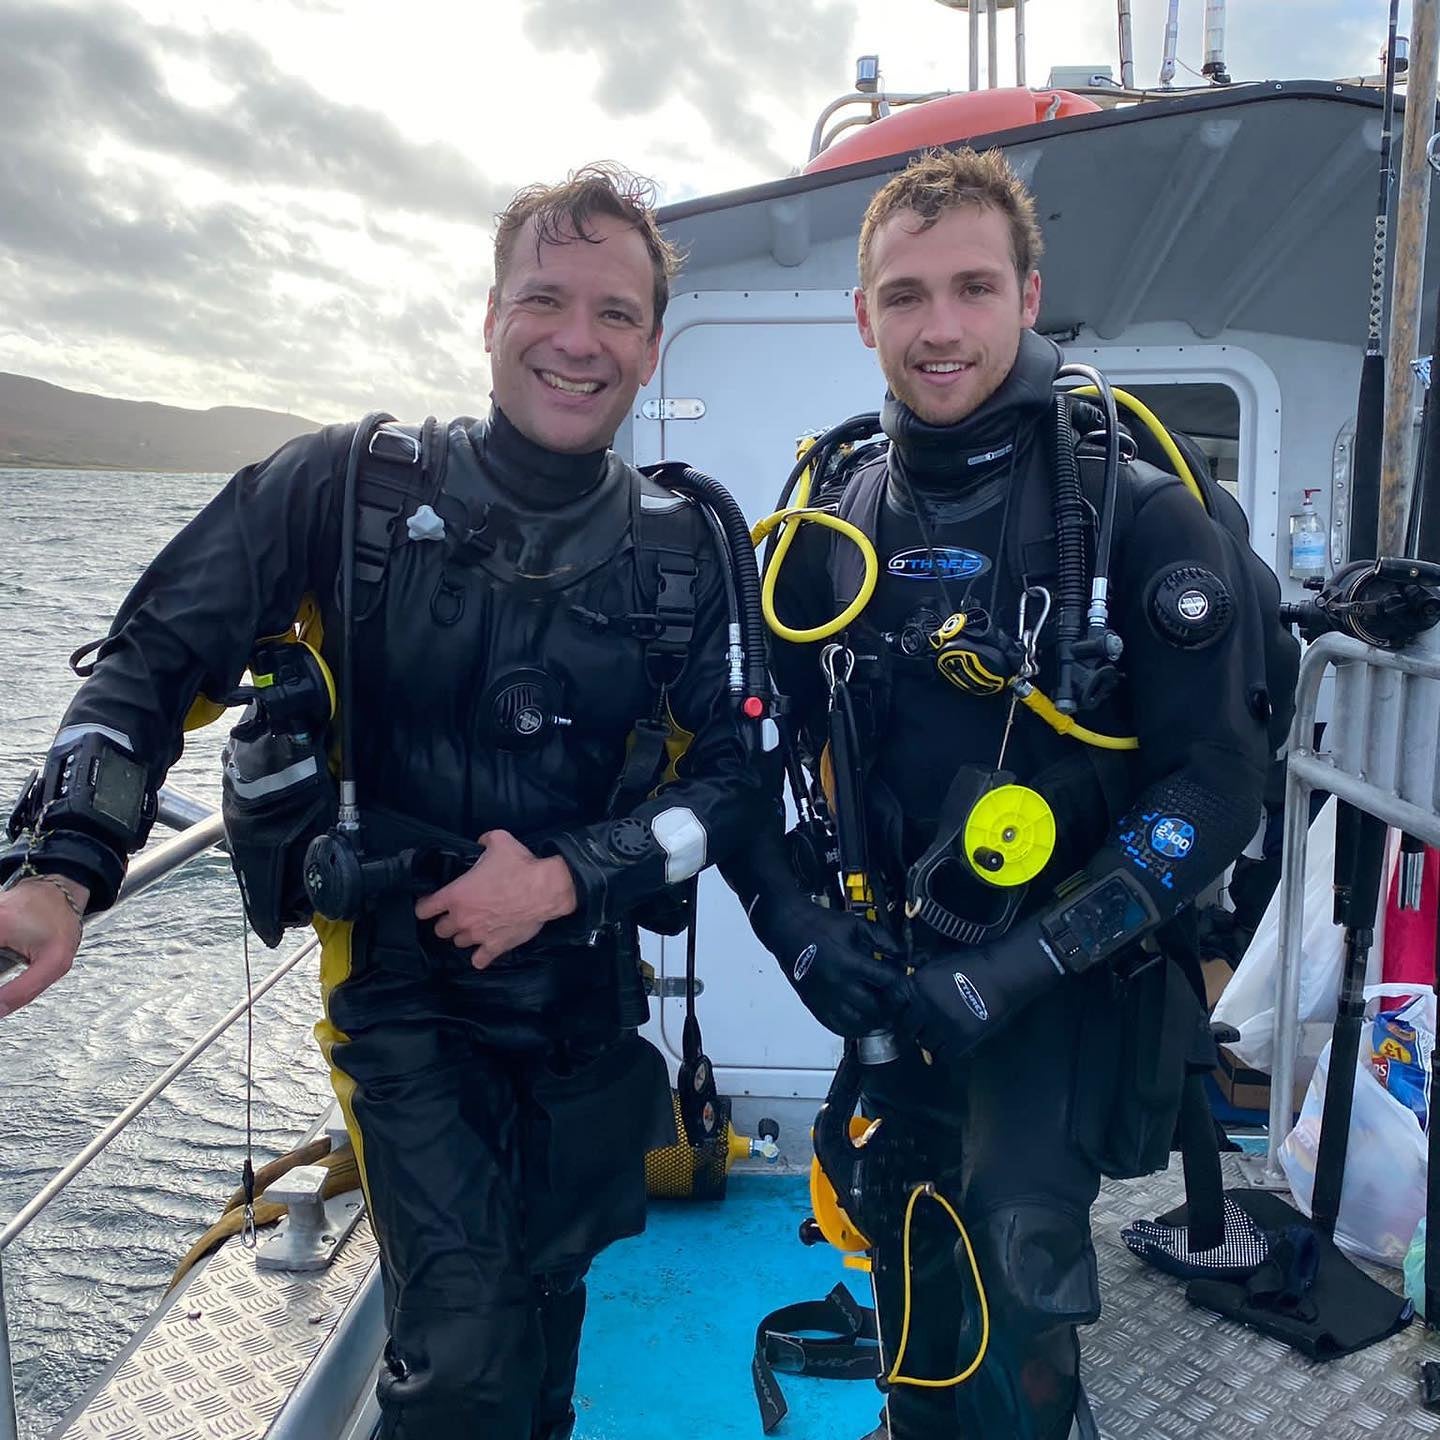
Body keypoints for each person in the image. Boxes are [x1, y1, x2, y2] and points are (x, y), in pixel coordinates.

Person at [0, 165, 768, 1440]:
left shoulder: (684, 550)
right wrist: (58, 865)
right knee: (463, 1347)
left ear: (651, 345)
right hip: (401, 996)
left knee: (546, 1307)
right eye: (546, 300)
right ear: (488, 316)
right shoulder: (345, 490)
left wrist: (569, 876)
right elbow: (152, 663)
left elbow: (737, 781)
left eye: (616, 314)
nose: (577, 340)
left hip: (581, 990)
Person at [728, 147, 1273, 1440]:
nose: (940, 327)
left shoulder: (1135, 520)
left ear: (1030, 296)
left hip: (1062, 994)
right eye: (906, 296)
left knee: (1019, 1281)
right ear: (863, 316)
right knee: (909, 1244)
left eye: (973, 287)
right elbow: (748, 767)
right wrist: (802, 936)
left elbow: (1219, 786)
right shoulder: (830, 528)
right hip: (895, 979)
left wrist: (1012, 974)